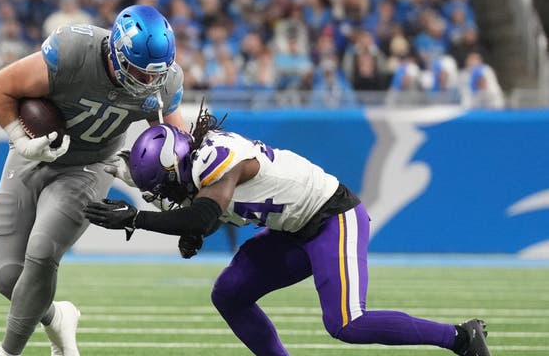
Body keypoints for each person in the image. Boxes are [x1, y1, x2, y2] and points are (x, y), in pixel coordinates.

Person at [84, 106, 491, 356]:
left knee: (346, 323)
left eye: (164, 187)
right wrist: (190, 230)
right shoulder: (195, 169)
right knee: (229, 294)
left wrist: (136, 219)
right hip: (292, 230)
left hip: (333, 218)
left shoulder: (215, 160)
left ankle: (459, 338)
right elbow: (204, 216)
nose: (166, 196)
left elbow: (203, 216)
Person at [0, 4, 187, 356]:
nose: (149, 82)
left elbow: (176, 149)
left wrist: (147, 178)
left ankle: (7, 352)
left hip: (89, 167)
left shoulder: (164, 83)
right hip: (34, 157)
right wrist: (20, 139)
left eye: (155, 75)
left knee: (43, 250)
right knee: (8, 278)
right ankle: (57, 316)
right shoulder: (74, 50)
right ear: (118, 52)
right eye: (140, 72)